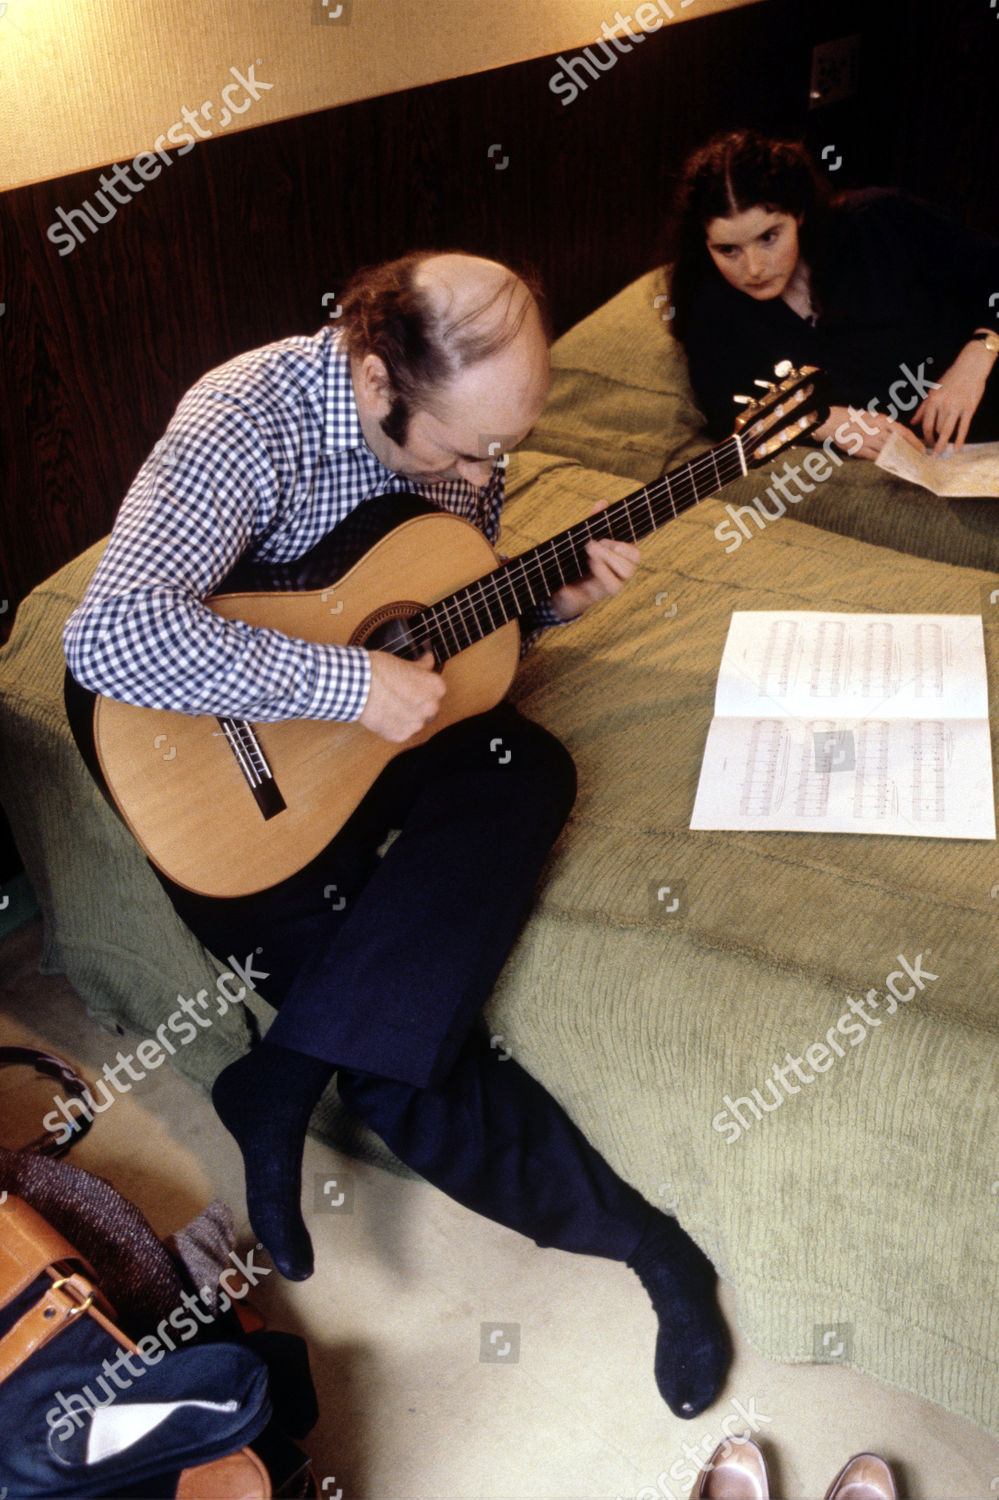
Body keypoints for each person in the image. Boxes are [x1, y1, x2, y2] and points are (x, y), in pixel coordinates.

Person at [63, 251, 729, 1419]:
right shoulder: (246, 418)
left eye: (505, 447)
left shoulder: (462, 450)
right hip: (219, 789)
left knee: (529, 772)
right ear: (375, 378)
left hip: (350, 761)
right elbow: (110, 638)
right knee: (402, 1055)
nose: (486, 474)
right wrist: (342, 684)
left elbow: (434, 619)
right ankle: (646, 1245)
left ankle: (283, 1069)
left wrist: (547, 604)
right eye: (467, 450)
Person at [666, 128, 999, 459]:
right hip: (931, 464)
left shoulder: (877, 221)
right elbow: (727, 413)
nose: (754, 268)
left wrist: (979, 352)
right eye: (728, 249)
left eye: (769, 237)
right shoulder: (710, 307)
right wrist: (816, 421)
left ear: (798, 214)